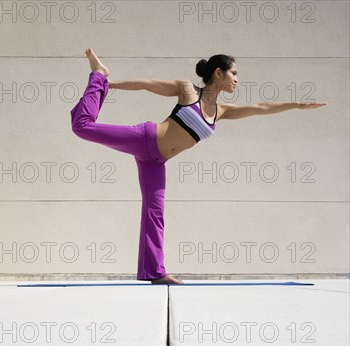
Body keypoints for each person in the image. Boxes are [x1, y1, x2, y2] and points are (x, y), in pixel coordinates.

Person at [71, 48, 327, 285]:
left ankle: (154, 272)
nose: (237, 79)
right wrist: (108, 83)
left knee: (155, 212)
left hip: (156, 161)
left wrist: (296, 105)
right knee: (81, 126)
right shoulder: (187, 91)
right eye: (234, 73)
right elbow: (147, 85)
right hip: (146, 138)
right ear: (218, 72)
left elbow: (260, 108)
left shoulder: (222, 111)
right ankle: (98, 74)